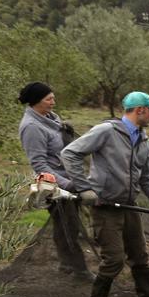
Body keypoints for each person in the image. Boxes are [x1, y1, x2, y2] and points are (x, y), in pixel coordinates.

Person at [61, 92, 149, 297]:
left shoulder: (145, 141)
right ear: (140, 111)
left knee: (140, 256)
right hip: (105, 206)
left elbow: (148, 179)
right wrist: (84, 188)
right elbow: (70, 153)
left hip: (129, 206)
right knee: (114, 259)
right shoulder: (106, 131)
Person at [17, 82, 91, 279]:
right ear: (36, 102)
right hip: (52, 184)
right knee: (67, 225)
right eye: (49, 99)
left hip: (67, 179)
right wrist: (67, 185)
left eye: (53, 97)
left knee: (68, 225)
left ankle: (66, 264)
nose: (53, 102)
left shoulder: (50, 118)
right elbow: (40, 165)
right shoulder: (31, 127)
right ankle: (78, 269)